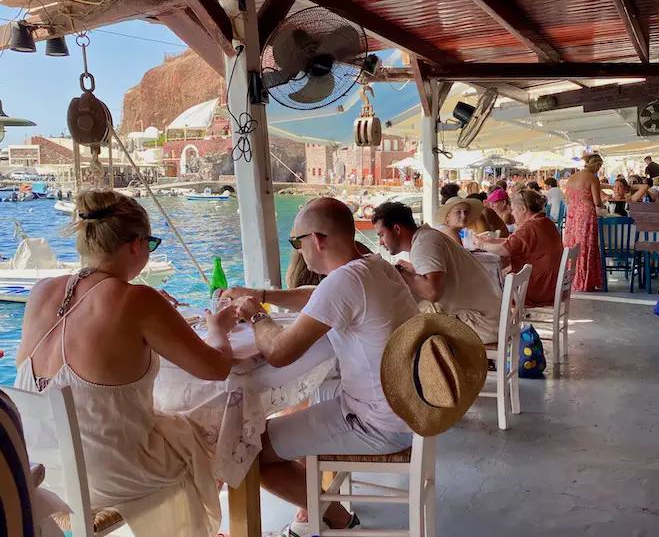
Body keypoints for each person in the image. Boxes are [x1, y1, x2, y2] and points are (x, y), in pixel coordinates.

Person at [15, 190, 239, 537]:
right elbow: (216, 368)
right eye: (151, 243)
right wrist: (218, 329)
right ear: (136, 244)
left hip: (42, 471)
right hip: (107, 478)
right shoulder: (137, 299)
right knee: (221, 428)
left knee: (172, 423)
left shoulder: (41, 291)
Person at [223, 198, 418, 536]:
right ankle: (327, 512)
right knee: (304, 405)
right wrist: (265, 294)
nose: (298, 251)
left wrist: (254, 314)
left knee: (249, 452)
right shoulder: (376, 265)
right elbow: (321, 294)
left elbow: (280, 352)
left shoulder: (346, 282)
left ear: (317, 240)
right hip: (406, 408)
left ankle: (336, 518)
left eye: (296, 242)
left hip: (377, 425)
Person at [372, 202, 501, 344]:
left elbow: (432, 292)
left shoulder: (424, 244)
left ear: (397, 229)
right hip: (490, 316)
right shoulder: (427, 237)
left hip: (481, 323)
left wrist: (399, 271)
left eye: (381, 235)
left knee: (404, 313)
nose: (381, 243)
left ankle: (416, 363)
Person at [476, 191, 564, 307]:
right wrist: (492, 241)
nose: (512, 213)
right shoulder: (545, 221)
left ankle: (499, 323)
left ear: (523, 209)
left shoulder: (529, 227)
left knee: (486, 289)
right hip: (551, 285)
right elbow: (518, 243)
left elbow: (506, 249)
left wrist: (482, 245)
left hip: (536, 289)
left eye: (513, 209)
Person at [563, 153, 604, 291]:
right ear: (597, 165)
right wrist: (603, 207)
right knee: (586, 246)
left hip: (572, 214)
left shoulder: (571, 178)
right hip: (586, 214)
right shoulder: (593, 178)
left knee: (572, 244)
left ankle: (571, 279)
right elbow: (597, 201)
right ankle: (585, 281)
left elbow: (567, 199)